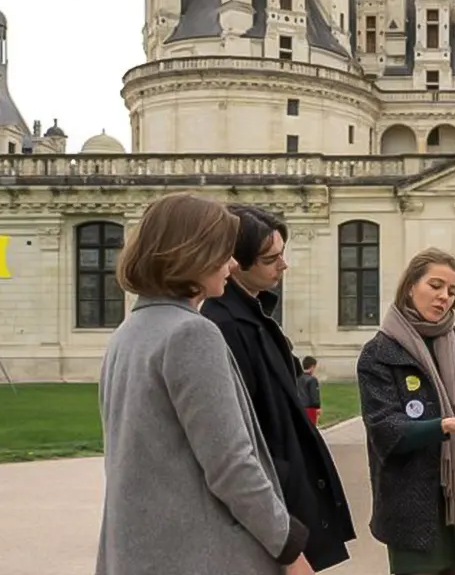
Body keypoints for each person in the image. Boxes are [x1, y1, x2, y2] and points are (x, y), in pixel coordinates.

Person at [95, 192, 314, 575]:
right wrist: (288, 547)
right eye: (221, 251)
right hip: (198, 554)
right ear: (190, 254)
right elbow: (231, 465)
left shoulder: (130, 332)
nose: (231, 263)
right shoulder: (192, 334)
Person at [201, 205, 355, 572]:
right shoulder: (224, 327)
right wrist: (283, 537)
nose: (282, 266)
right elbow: (238, 446)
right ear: (234, 263)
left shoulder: (252, 318)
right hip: (271, 505)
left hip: (283, 492)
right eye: (271, 258)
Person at [356, 248, 455, 575]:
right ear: (410, 285)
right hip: (413, 506)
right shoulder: (379, 353)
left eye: (452, 291)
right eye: (435, 286)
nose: (444, 297)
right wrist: (444, 425)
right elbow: (386, 430)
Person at [298, 356, 322, 426]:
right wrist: (317, 407)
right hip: (310, 408)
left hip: (301, 407)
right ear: (312, 367)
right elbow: (314, 395)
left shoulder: (299, 379)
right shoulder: (312, 380)